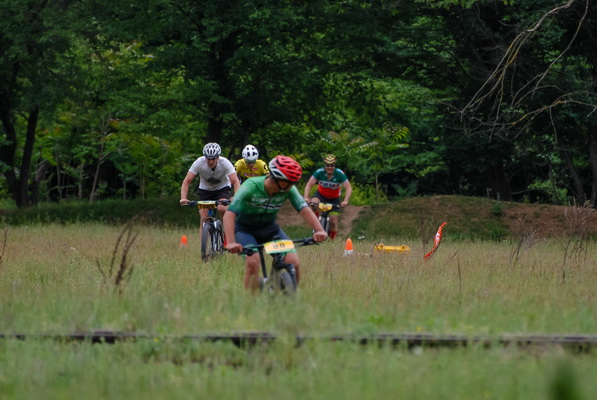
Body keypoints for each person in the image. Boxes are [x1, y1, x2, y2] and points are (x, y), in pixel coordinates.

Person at [224, 155, 328, 290]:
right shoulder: (250, 186)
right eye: (291, 182)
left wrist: (319, 230)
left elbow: (304, 209)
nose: (293, 186)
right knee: (253, 262)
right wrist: (231, 242)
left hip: (270, 229)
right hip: (245, 230)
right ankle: (252, 300)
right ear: (282, 183)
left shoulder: (288, 190)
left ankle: (286, 296)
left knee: (293, 263)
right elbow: (229, 214)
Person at [180, 142, 241, 224]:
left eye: (213, 159)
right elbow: (187, 181)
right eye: (208, 159)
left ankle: (225, 228)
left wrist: (236, 198)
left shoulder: (225, 163)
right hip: (205, 190)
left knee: (222, 208)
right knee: (204, 217)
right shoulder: (199, 163)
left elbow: (235, 181)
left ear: (218, 157)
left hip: (222, 188)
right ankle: (204, 232)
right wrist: (183, 198)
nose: (210, 162)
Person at [303, 154, 352, 240]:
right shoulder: (319, 172)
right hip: (320, 195)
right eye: (327, 165)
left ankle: (332, 239)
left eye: (332, 165)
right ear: (324, 165)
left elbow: (348, 187)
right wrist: (306, 197)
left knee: (333, 220)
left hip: (334, 198)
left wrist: (345, 200)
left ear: (334, 166)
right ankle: (316, 221)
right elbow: (309, 184)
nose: (329, 167)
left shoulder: (339, 173)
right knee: (313, 204)